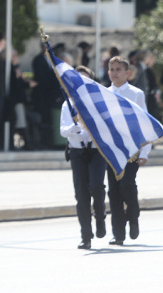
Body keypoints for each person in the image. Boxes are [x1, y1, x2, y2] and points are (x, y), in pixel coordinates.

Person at [60, 65, 107, 249]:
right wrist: (76, 126)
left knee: (96, 186)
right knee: (81, 194)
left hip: (96, 150)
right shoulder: (68, 104)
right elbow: (63, 130)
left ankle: (100, 216)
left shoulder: (97, 101)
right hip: (77, 151)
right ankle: (85, 235)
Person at [106, 56, 148, 244]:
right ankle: (118, 233)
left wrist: (145, 152)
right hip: (111, 149)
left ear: (127, 73)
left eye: (118, 69)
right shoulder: (103, 93)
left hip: (131, 149)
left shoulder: (136, 94)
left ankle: (133, 215)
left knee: (127, 185)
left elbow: (144, 122)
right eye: (112, 69)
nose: (115, 73)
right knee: (114, 191)